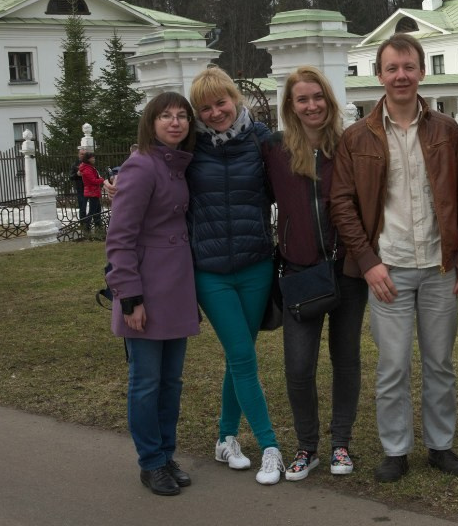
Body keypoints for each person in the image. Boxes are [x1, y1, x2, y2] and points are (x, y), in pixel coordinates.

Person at [331, 33, 458, 483]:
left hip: (438, 266)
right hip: (388, 269)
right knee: (393, 366)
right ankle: (395, 449)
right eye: (392, 68)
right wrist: (369, 261)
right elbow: (342, 204)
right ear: (379, 75)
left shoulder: (446, 130)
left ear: (422, 71)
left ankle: (441, 446)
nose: (401, 75)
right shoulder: (356, 137)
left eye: (409, 66)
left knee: (440, 364)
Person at [263, 66, 367, 481]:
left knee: (346, 360)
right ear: (290, 105)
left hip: (347, 270)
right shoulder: (274, 149)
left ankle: (340, 442)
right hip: (300, 273)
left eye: (317, 97)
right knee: (298, 367)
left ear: (329, 99)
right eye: (302, 99)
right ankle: (307, 446)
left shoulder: (349, 145)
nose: (311, 105)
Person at [187, 66, 284, 486]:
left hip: (256, 265)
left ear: (235, 99)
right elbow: (151, 167)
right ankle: (270, 447)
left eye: (221, 102)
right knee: (243, 356)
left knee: (238, 356)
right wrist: (120, 183)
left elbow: (290, 183)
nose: (214, 113)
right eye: (204, 108)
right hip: (210, 271)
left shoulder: (261, 139)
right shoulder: (189, 147)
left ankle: (225, 438)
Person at [104, 92, 200, 496]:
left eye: (182, 116)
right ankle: (150, 461)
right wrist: (129, 297)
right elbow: (119, 237)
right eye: (166, 116)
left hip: (175, 288)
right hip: (144, 293)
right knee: (145, 382)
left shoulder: (176, 165)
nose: (175, 122)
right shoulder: (142, 166)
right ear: (151, 122)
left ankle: (165, 453)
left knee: (171, 382)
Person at [77, 151, 105, 236]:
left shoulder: (89, 167)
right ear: (88, 159)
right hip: (92, 191)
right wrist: (101, 180)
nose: (94, 159)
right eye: (92, 157)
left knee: (97, 210)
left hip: (94, 191)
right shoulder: (87, 169)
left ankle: (98, 227)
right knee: (92, 211)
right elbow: (92, 180)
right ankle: (87, 227)